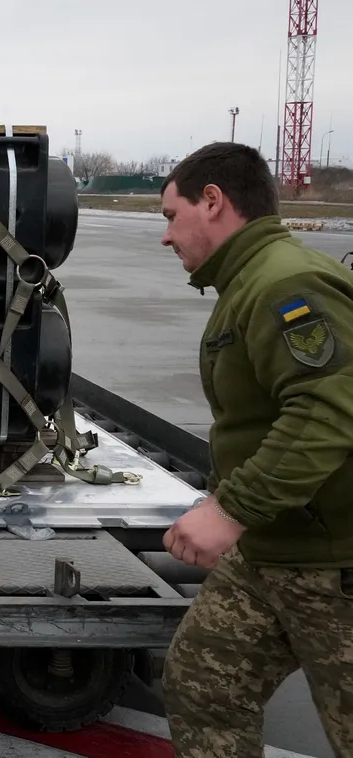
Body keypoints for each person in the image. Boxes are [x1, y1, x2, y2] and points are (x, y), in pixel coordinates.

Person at [157, 141, 353, 756]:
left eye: (170, 215)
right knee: (203, 688)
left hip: (333, 564)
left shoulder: (284, 282)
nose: (166, 237)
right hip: (271, 553)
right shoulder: (246, 283)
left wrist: (230, 509)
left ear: (212, 201)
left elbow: (328, 408)